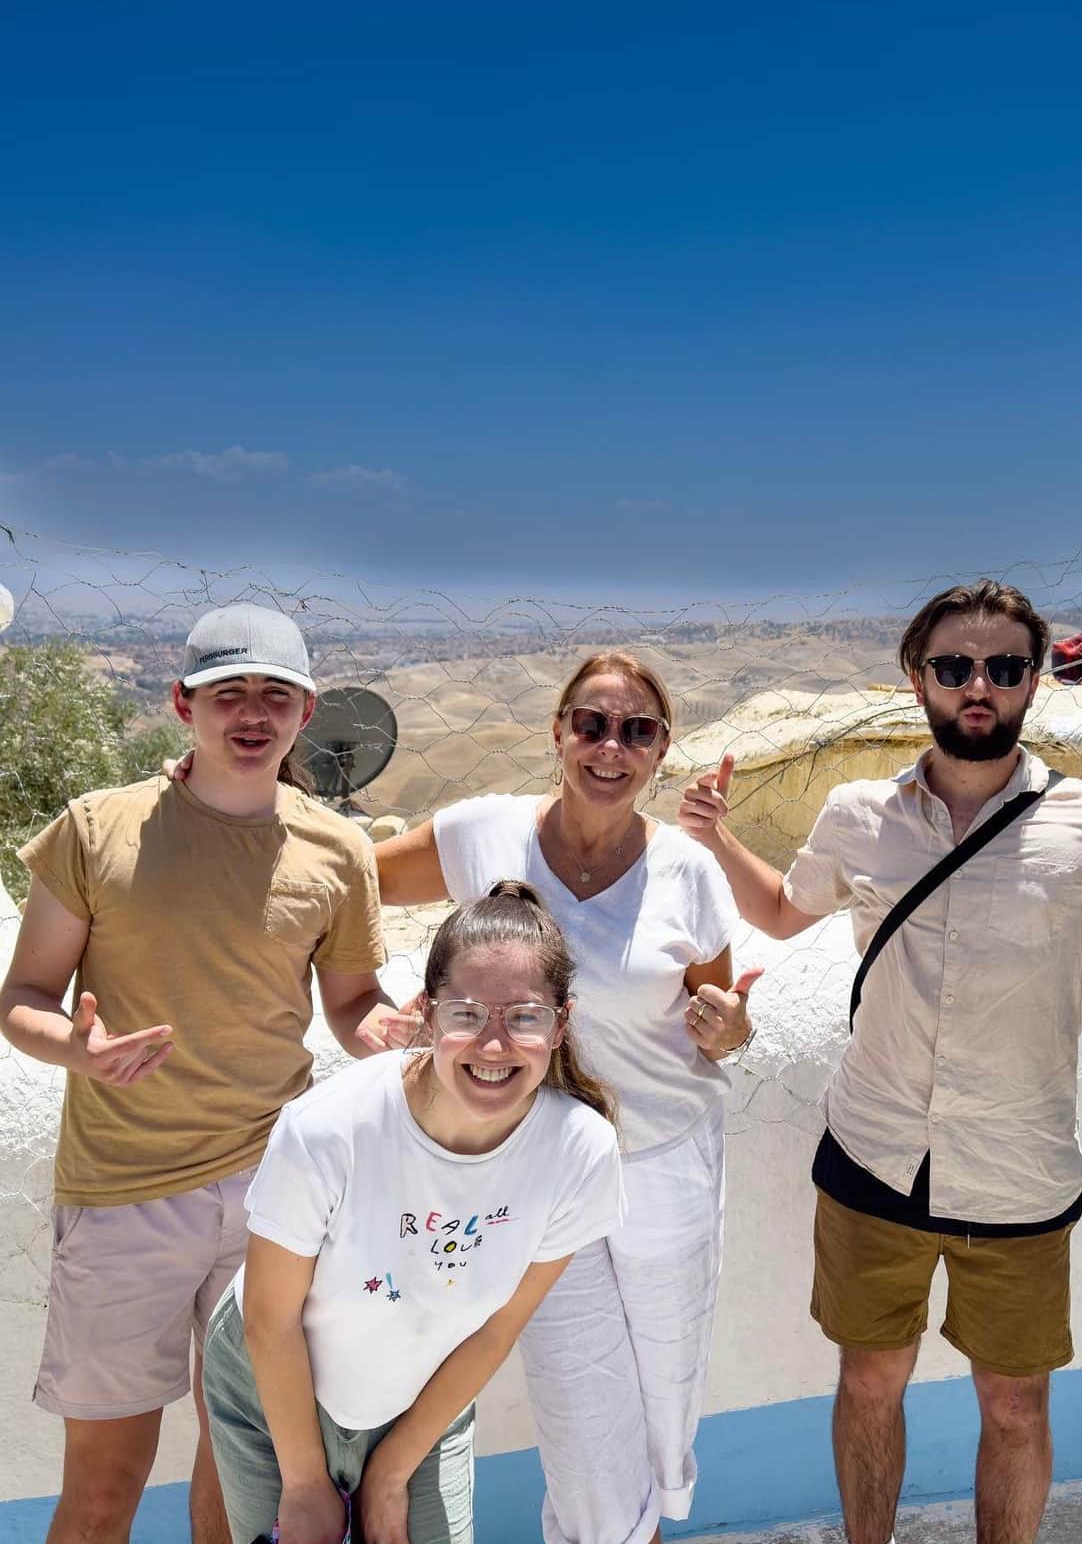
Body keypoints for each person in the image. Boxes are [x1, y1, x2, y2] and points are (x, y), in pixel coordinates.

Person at [678, 579, 1082, 1544]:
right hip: (874, 1154)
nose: (978, 685)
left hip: (1018, 1172)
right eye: (955, 664)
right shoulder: (857, 813)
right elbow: (784, 912)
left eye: (1004, 666)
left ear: (1033, 681)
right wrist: (715, 838)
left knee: (1015, 1403)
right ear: (917, 676)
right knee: (868, 1381)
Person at [0, 604, 398, 1544]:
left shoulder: (339, 850)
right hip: (120, 1196)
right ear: (184, 704)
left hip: (273, 1198)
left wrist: (397, 1031)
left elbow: (352, 1004)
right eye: (230, 692)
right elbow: (24, 994)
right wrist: (77, 1051)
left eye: (276, 693)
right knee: (104, 1490)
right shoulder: (96, 829)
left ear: (306, 712)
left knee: (243, 1483)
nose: (253, 712)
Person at [374, 651, 759, 1544]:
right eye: (592, 723)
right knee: (582, 1424)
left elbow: (718, 1010)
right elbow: (350, 878)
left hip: (665, 1165)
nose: (610, 747)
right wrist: (365, 1001)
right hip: (538, 1172)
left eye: (637, 730)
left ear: (661, 748)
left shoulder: (688, 872)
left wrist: (730, 1027)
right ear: (558, 732)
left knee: (665, 1404)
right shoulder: (484, 835)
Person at [202, 880, 625, 1544]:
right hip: (274, 1386)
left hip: (420, 1404)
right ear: (427, 1014)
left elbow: (497, 1327)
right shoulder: (326, 1128)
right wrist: (306, 1485)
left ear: (560, 1024)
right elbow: (269, 1318)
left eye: (524, 1018)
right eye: (466, 1015)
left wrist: (393, 1471)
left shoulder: (580, 1151)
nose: (494, 1046)